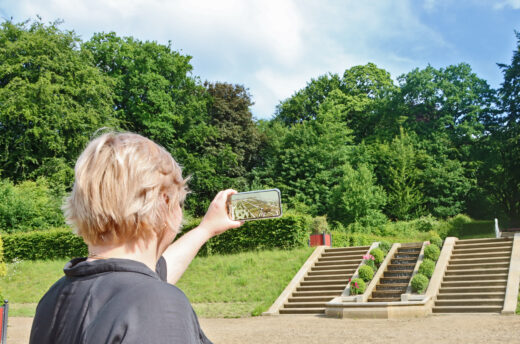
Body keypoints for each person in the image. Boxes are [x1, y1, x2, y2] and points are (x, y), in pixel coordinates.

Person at [29, 132, 242, 344]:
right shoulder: (157, 304)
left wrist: (206, 229)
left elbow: (143, 276)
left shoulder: (54, 298)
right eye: (179, 201)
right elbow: (145, 292)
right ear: (165, 202)